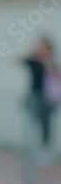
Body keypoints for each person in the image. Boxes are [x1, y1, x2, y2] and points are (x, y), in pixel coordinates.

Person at [22, 36, 58, 165]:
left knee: (46, 125)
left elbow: (55, 78)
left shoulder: (50, 62)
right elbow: (22, 60)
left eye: (42, 46)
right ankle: (35, 149)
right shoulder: (34, 61)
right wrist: (34, 52)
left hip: (47, 99)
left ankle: (46, 152)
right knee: (34, 123)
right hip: (34, 96)